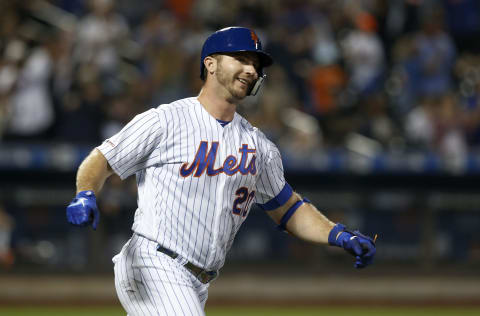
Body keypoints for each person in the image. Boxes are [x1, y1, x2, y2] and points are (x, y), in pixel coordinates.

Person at [66, 26, 376, 316]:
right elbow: (102, 159)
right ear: (211, 64)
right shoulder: (166, 121)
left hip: (199, 281)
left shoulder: (259, 146)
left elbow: (288, 208)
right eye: (242, 59)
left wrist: (337, 234)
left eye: (256, 64)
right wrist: (85, 194)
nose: (252, 69)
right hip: (153, 262)